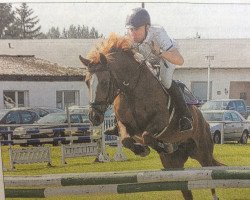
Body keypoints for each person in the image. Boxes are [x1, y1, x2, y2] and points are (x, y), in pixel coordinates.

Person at [125, 7, 193, 132]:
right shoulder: (129, 37)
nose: (133, 33)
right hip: (148, 60)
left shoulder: (158, 33)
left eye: (137, 29)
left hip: (166, 56)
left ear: (147, 27)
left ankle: (185, 116)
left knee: (165, 80)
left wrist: (160, 52)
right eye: (131, 29)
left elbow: (180, 60)